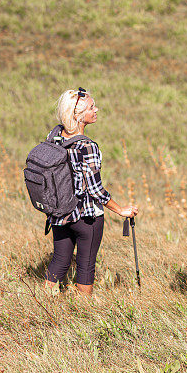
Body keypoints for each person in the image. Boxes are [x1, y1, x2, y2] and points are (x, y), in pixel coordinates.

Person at [44, 87, 139, 295]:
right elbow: (96, 190)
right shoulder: (88, 147)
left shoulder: (54, 136)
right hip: (87, 217)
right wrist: (121, 209)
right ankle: (84, 313)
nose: (97, 109)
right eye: (91, 107)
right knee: (86, 265)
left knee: (60, 260)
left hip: (59, 213)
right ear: (78, 116)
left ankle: (42, 301)